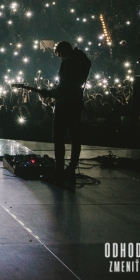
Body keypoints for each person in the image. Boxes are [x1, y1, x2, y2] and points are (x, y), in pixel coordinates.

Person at [30, 41, 91, 186]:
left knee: (58, 136)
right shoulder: (82, 62)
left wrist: (50, 93)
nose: (60, 58)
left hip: (65, 104)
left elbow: (64, 86)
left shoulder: (68, 63)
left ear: (64, 50)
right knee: (74, 137)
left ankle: (58, 171)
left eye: (59, 54)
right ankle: (70, 170)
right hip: (77, 103)